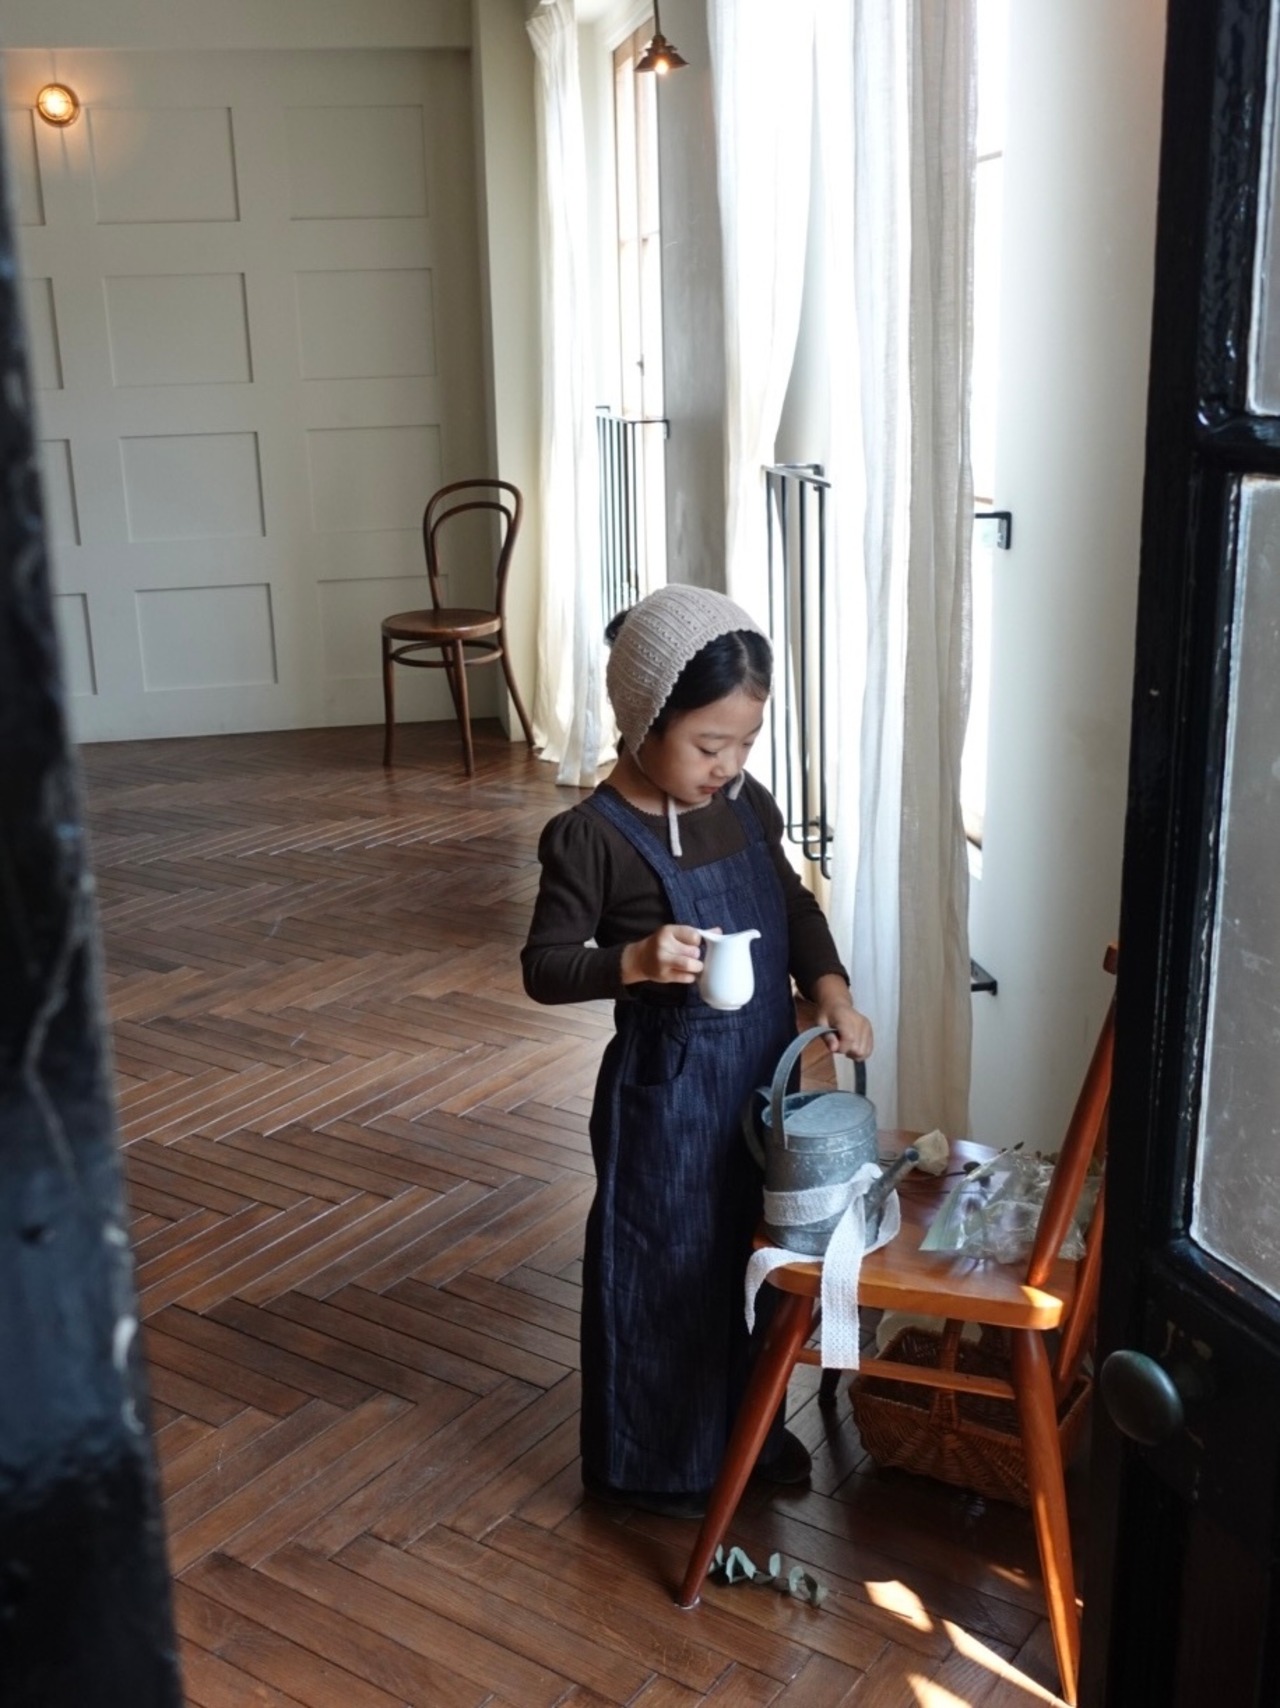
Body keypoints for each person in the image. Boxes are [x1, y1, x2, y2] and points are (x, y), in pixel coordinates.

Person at [521, 584, 873, 1520]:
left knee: (760, 1254)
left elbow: (793, 904)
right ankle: (657, 1466)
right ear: (645, 720)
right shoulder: (593, 836)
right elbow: (544, 967)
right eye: (709, 745)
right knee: (669, 1267)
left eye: (746, 743)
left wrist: (831, 989)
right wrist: (632, 961)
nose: (730, 765)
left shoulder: (746, 806)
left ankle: (747, 1433)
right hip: (667, 1094)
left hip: (765, 1081)